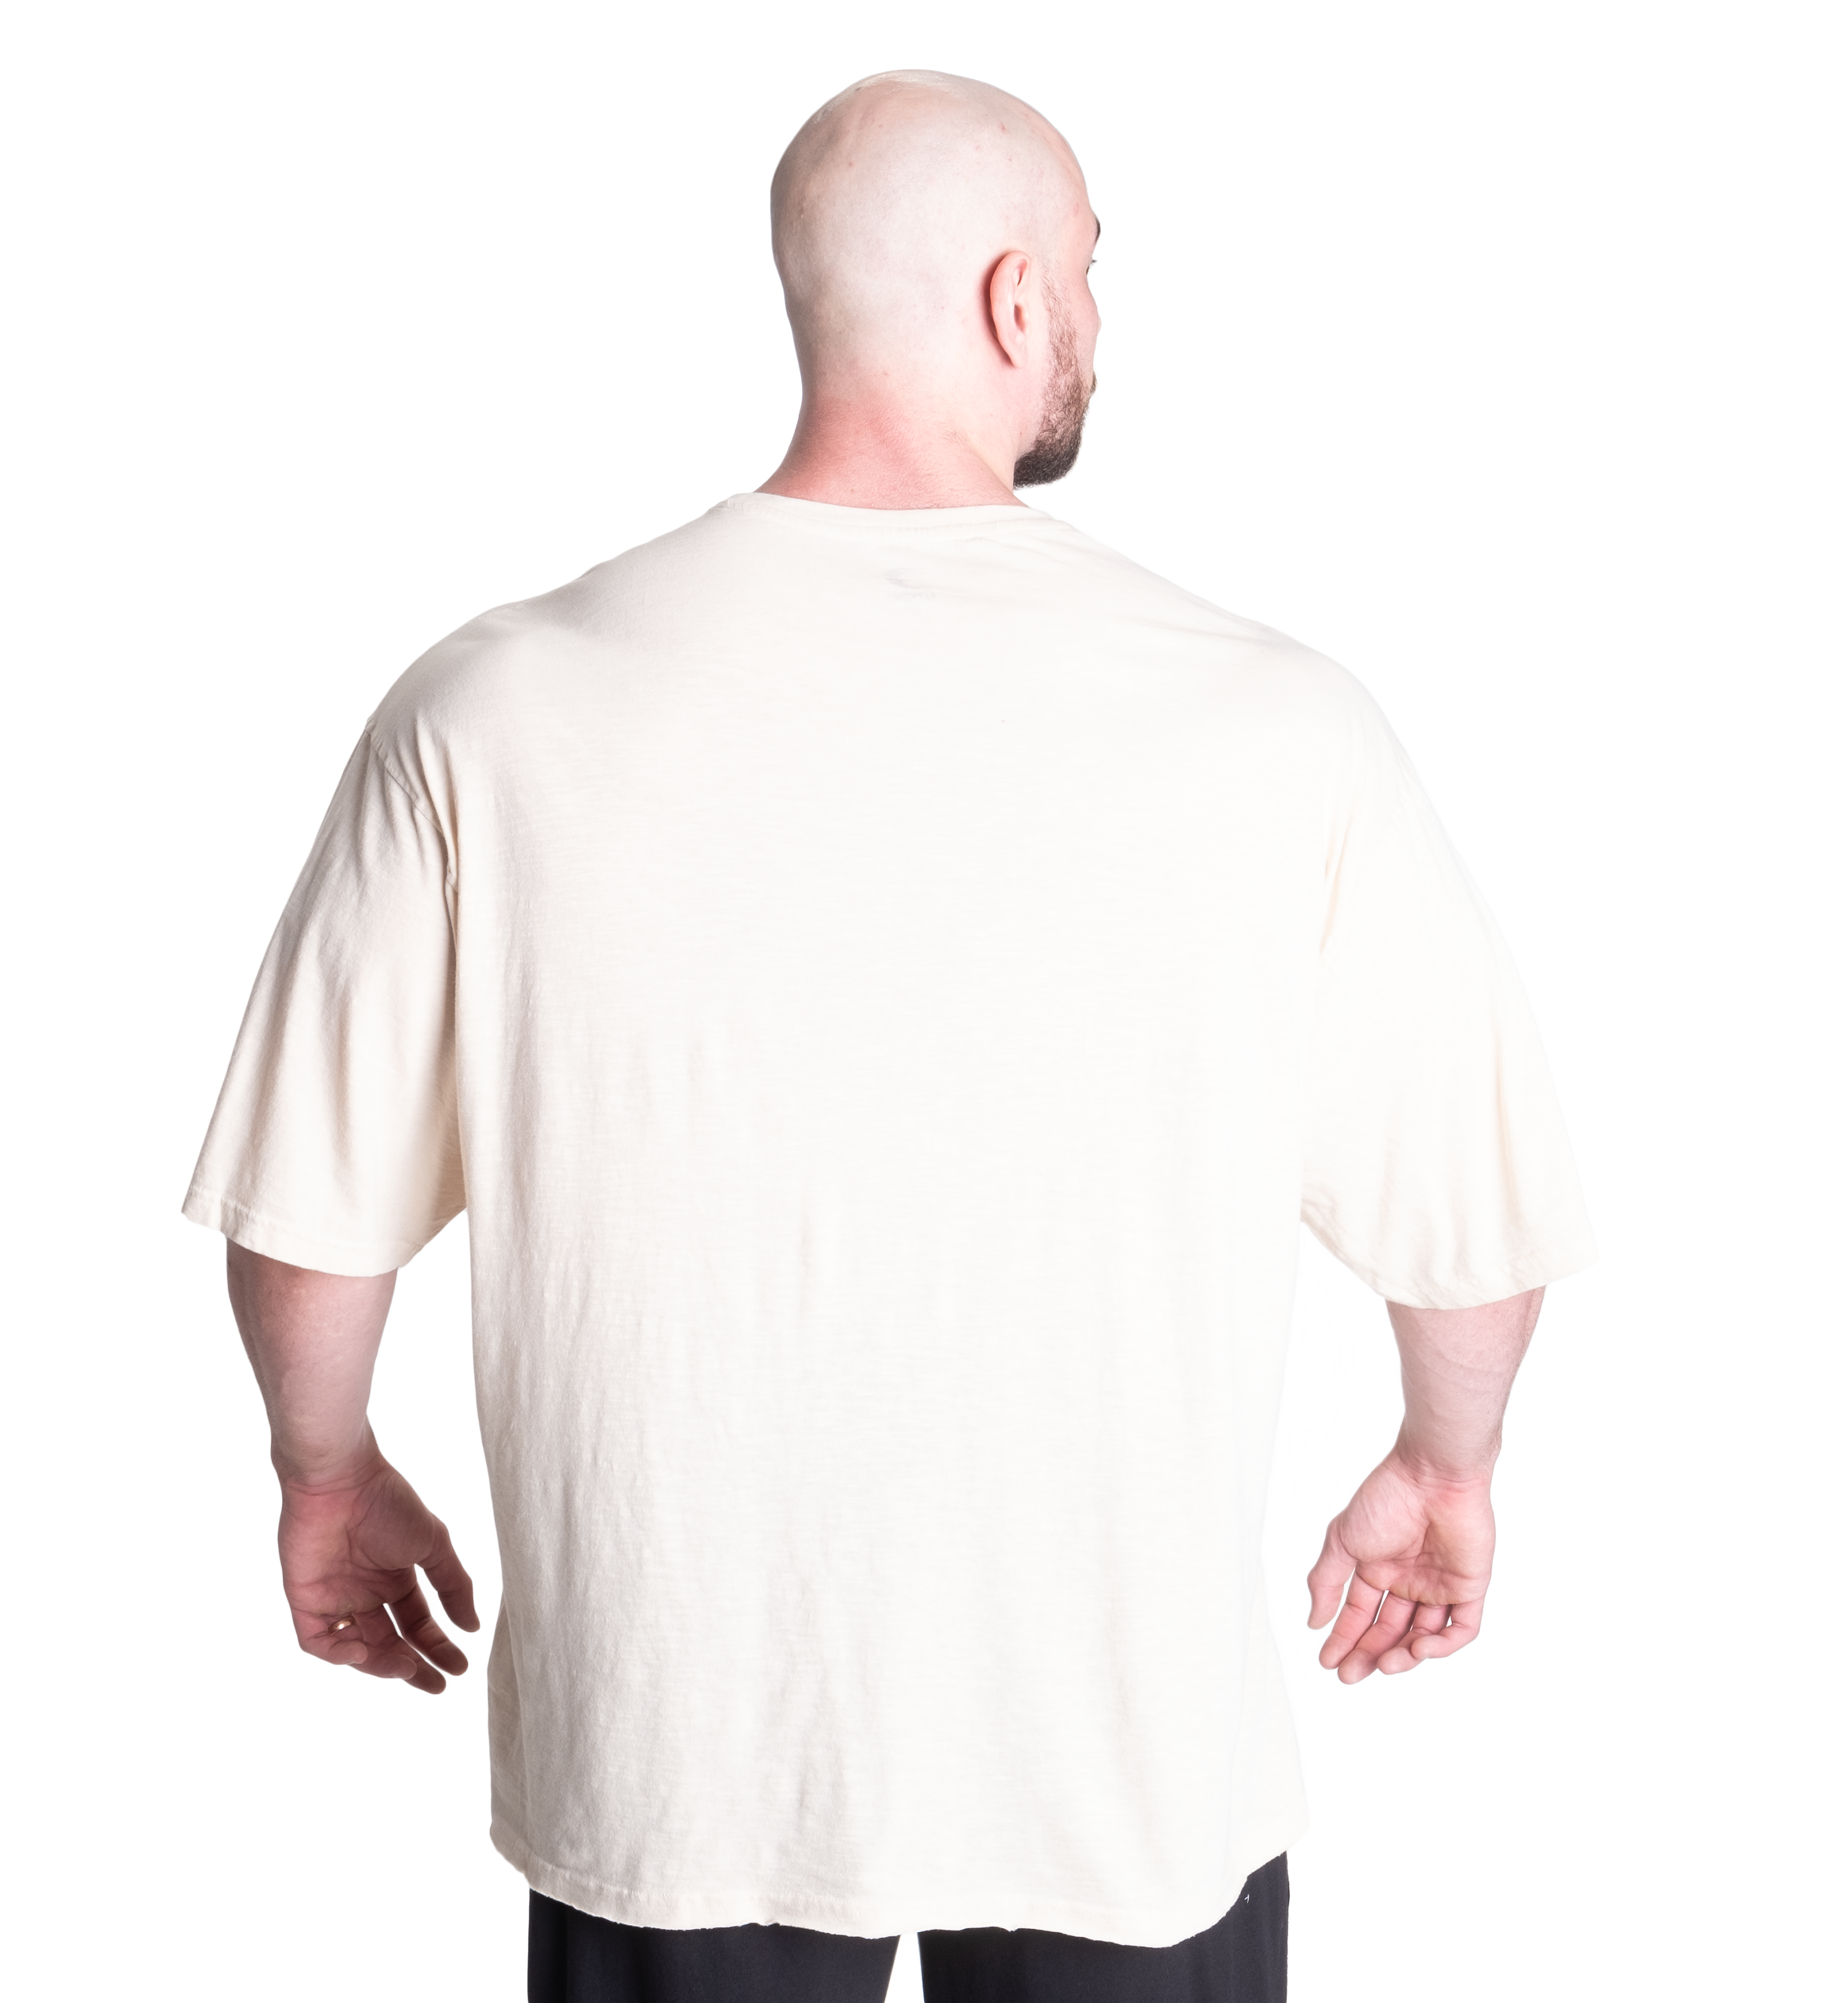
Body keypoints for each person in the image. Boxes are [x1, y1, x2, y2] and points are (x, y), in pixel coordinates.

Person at [185, 69, 1596, 2003]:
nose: (1090, 319)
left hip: (676, 1743)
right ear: (1015, 301)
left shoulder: (490, 705)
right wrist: (1440, 1468)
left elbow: (311, 1218)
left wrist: (328, 1472)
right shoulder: (1273, 721)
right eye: (1085, 271)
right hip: (1120, 1747)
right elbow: (1472, 1221)